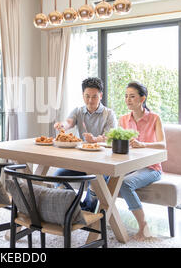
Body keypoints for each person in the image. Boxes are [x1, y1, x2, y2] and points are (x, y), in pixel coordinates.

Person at [53, 77, 117, 212]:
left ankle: (86, 211)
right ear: (83, 95)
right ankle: (75, 206)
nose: (90, 100)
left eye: (94, 97)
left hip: (102, 164)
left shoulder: (109, 114)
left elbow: (110, 138)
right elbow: (69, 122)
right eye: (87, 96)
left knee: (95, 182)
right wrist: (61, 125)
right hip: (81, 161)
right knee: (57, 175)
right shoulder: (78, 111)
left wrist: (95, 139)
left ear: (101, 95)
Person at [118, 81, 166, 240]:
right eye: (126, 96)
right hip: (128, 165)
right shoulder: (123, 119)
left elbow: (163, 145)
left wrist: (142, 144)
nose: (128, 100)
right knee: (99, 179)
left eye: (132, 96)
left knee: (125, 184)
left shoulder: (154, 118)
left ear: (142, 98)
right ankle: (101, 223)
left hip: (151, 168)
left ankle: (144, 227)